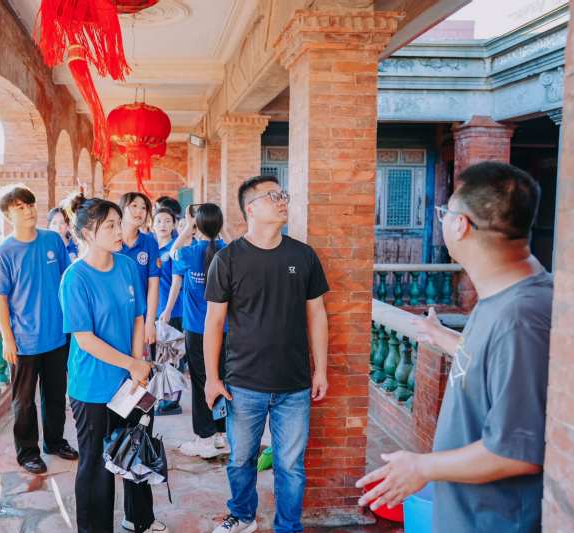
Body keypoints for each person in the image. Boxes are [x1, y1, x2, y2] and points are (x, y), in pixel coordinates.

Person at [357, 162, 553, 533]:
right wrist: (445, 337)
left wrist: (421, 467)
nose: (443, 220)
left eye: (444, 212)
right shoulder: (503, 296)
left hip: (494, 521)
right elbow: (496, 364)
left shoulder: (521, 317)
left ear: (460, 224)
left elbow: (517, 452)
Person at [204, 175, 329, 533]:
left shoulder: (303, 255)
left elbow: (317, 315)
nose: (282, 200)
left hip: (295, 384)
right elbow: (214, 323)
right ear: (251, 209)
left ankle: (288, 527)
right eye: (273, 196)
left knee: (291, 466)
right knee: (241, 459)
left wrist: (320, 370)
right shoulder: (227, 260)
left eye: (283, 195)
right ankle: (243, 516)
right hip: (244, 384)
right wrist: (212, 378)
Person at [59, 191, 167, 533]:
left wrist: (137, 365)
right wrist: (132, 366)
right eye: (110, 225)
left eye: (119, 223)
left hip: (130, 383)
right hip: (93, 387)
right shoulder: (75, 278)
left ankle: (139, 520)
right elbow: (85, 339)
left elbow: (138, 318)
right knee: (96, 466)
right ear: (87, 233)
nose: (120, 230)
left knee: (136, 451)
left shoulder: (126, 266)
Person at [0, 184, 79, 476]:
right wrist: (8, 339)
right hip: (24, 341)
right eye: (19, 208)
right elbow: (0, 301)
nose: (27, 211)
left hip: (57, 336)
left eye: (30, 205)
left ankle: (55, 442)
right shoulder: (3, 252)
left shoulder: (53, 240)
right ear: (8, 215)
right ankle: (28, 453)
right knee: (24, 402)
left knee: (55, 396)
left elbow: (65, 282)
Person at [171, 203, 229, 457]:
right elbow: (235, 245)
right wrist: (221, 229)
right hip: (225, 329)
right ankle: (220, 434)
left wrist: (188, 225)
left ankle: (205, 439)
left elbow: (171, 252)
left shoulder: (188, 253)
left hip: (197, 330)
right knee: (222, 378)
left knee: (201, 381)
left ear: (197, 225)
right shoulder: (229, 251)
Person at [153, 206, 185, 416]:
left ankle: (172, 402)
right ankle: (161, 396)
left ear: (174, 225)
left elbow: (176, 282)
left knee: (172, 357)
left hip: (172, 311)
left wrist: (168, 310)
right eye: (158, 221)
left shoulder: (175, 248)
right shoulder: (151, 247)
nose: (162, 225)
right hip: (153, 310)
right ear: (152, 225)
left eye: (167, 221)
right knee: (158, 357)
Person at [118, 192, 160, 348]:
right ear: (120, 210)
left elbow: (153, 285)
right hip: (114, 317)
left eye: (144, 208)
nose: (139, 211)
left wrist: (150, 322)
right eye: (134, 206)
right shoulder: (110, 241)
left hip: (141, 318)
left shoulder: (150, 244)